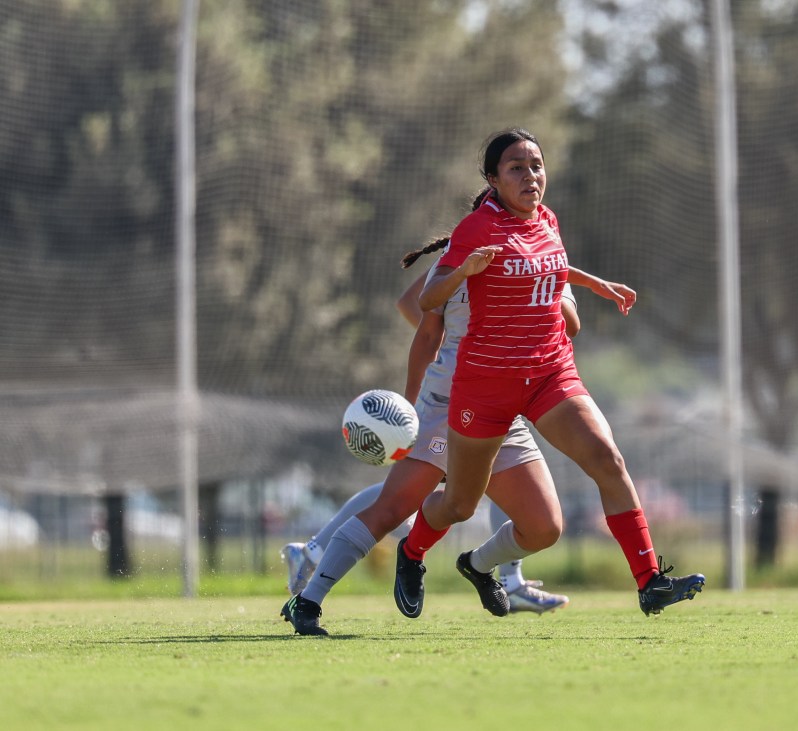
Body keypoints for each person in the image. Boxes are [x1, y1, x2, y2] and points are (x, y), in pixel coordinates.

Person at [395, 128, 705, 619]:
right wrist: (462, 272)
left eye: (536, 165)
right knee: (458, 504)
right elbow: (428, 300)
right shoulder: (476, 228)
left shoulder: (546, 220)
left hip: (549, 375)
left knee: (607, 460)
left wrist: (595, 282)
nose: (530, 175)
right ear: (493, 179)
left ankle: (650, 582)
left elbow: (545, 264)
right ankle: (412, 553)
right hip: (485, 385)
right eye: (516, 167)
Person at [280, 206, 584, 635]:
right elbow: (423, 326)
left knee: (544, 526)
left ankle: (481, 567)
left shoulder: (537, 259)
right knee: (393, 505)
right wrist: (411, 406)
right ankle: (307, 601)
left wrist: (559, 289)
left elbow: (570, 325)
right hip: (446, 407)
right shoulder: (458, 263)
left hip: (502, 408)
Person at [280, 485, 568, 614]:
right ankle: (312, 555)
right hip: (456, 402)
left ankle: (312, 552)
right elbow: (426, 359)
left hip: (488, 399)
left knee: (503, 481)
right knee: (405, 492)